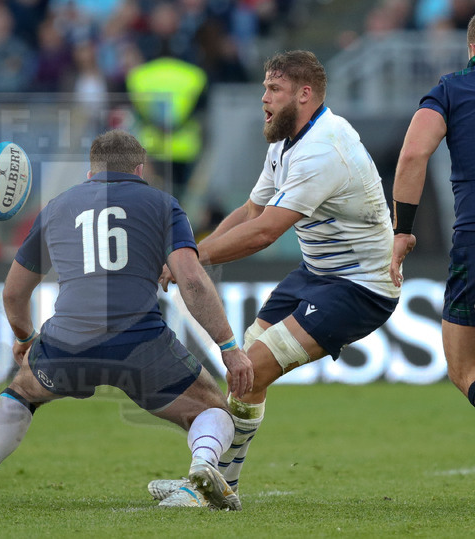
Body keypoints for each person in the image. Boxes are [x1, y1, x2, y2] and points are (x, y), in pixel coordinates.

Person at [0, 129, 254, 510]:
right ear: (140, 169)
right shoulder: (162, 203)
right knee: (211, 407)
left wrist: (25, 339)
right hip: (140, 342)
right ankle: (201, 471)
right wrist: (228, 347)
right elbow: (191, 279)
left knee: (21, 392)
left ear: (90, 172)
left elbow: (12, 293)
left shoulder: (56, 206)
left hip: (67, 342)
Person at [153, 50, 400, 503]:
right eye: (264, 87)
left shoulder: (325, 149)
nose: (262, 97)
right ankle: (223, 483)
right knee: (245, 368)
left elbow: (265, 231)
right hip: (316, 273)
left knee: (252, 367)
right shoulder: (285, 141)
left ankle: (207, 486)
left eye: (273, 89)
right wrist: (189, 252)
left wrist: (189, 258)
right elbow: (251, 211)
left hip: (362, 287)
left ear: (304, 95)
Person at [390, 15, 475, 410]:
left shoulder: (451, 89)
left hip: (473, 241)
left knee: (464, 369)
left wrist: (402, 231)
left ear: (470, 46)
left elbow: (412, 155)